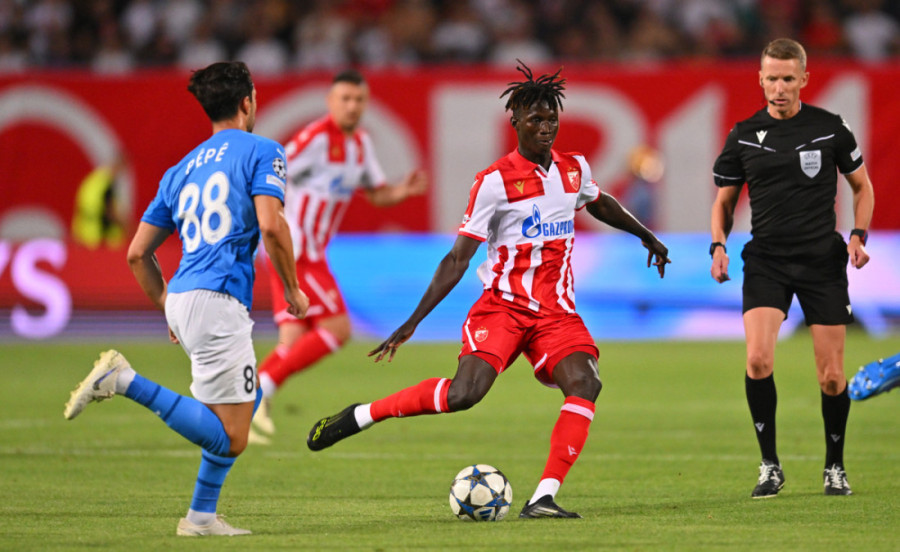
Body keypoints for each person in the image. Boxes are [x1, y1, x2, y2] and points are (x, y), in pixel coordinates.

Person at [305, 62, 670, 519]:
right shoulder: (494, 182)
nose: (545, 127)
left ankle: (543, 497)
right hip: (503, 308)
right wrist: (413, 321)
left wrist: (646, 236)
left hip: (556, 312)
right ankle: (364, 414)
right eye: (535, 119)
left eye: (551, 119)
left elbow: (598, 202)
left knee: (586, 382)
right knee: (464, 395)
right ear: (514, 120)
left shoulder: (573, 168)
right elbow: (457, 258)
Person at [63, 61, 309, 536]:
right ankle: (123, 380)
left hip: (182, 296)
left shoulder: (179, 170)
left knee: (242, 403)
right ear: (247, 103)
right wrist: (292, 287)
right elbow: (272, 225)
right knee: (232, 436)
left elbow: (137, 254)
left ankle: (200, 518)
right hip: (218, 300)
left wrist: (170, 310)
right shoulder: (264, 150)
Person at [710, 38, 875, 498]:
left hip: (822, 260)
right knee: (758, 360)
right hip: (767, 260)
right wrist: (718, 245)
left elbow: (862, 187)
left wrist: (858, 235)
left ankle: (834, 466)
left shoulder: (830, 128)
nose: (779, 87)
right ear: (760, 79)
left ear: (804, 78)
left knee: (832, 376)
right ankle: (769, 465)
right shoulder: (743, 134)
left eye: (787, 78)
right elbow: (724, 201)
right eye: (771, 79)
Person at [252, 68, 427, 440]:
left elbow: (377, 193)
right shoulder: (314, 138)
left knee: (292, 339)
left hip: (310, 251)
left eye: (359, 100)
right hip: (297, 250)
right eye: (345, 99)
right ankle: (256, 393)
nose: (352, 106)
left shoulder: (360, 144)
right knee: (338, 328)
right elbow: (270, 172)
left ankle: (247, 407)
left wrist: (402, 191)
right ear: (331, 101)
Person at [71, 152, 129, 249]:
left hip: (84, 233)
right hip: (99, 238)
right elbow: (111, 212)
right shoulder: (106, 185)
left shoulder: (94, 180)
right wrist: (128, 227)